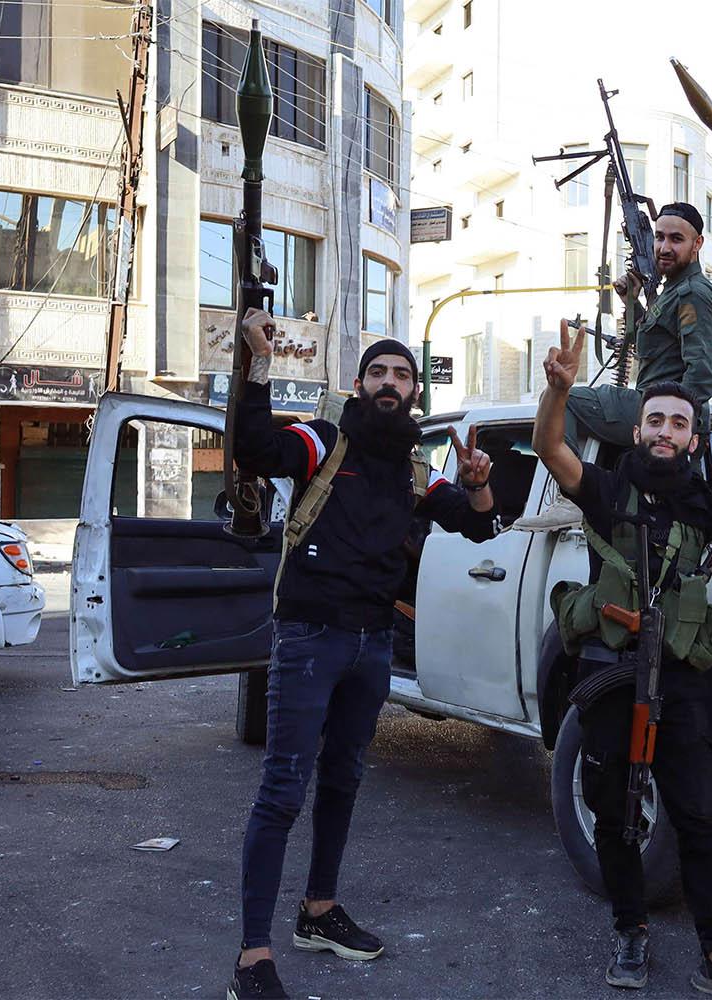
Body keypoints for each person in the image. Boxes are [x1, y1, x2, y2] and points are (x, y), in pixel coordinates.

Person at [226, 309, 500, 1000]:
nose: (389, 382)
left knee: (344, 779)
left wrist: (476, 480)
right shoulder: (324, 444)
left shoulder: (416, 474)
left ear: (414, 393)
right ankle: (253, 957)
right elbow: (254, 449)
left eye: (401, 375)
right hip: (310, 637)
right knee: (284, 789)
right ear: (358, 383)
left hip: (372, 646)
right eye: (378, 371)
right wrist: (258, 366)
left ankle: (318, 912)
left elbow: (476, 525)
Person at [532, 322, 712, 1000]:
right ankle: (630, 929)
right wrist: (559, 394)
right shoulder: (604, 490)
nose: (664, 430)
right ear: (638, 431)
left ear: (691, 438)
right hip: (611, 674)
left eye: (677, 423)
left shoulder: (704, 508)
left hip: (680, 683)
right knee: (615, 813)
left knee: (697, 815)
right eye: (654, 418)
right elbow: (548, 448)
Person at [521, 202, 712, 530]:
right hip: (651, 404)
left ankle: (570, 499)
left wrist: (673, 427)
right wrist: (633, 301)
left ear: (697, 244)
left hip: (657, 407)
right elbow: (654, 343)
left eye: (676, 239)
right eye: (659, 238)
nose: (664, 247)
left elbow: (699, 373)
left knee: (562, 399)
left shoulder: (693, 293)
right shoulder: (672, 290)